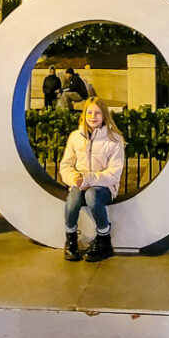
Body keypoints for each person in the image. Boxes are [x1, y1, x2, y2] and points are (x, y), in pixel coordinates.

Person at [59, 97, 125, 262]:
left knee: (92, 196)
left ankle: (104, 239)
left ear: (104, 115)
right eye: (89, 112)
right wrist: (75, 179)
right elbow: (66, 165)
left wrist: (88, 179)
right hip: (80, 185)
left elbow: (114, 174)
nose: (93, 116)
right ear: (84, 114)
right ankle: (71, 240)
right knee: (73, 198)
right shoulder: (75, 137)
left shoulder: (114, 139)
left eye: (97, 113)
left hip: (104, 188)